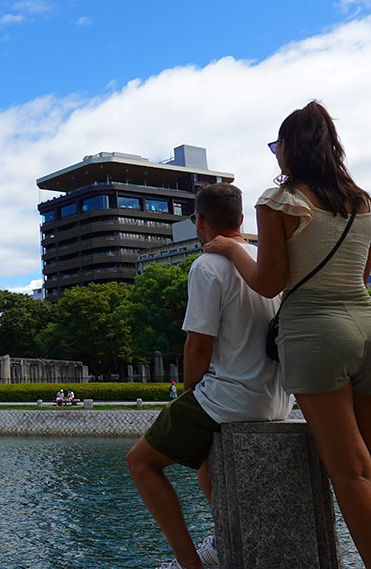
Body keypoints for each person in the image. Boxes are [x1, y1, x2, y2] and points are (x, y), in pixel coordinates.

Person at [203, 101, 371, 569]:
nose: (275, 155)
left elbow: (269, 282)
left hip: (315, 332)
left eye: (276, 146)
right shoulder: (364, 203)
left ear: (289, 148)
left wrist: (231, 246)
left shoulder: (280, 201)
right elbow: (363, 276)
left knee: (350, 471)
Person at [128, 182, 292, 569]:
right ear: (240, 219)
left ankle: (190, 564)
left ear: (198, 221)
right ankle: (225, 537)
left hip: (231, 396)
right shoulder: (265, 261)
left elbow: (198, 346)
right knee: (203, 454)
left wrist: (188, 394)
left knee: (140, 463)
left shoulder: (207, 265)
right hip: (279, 398)